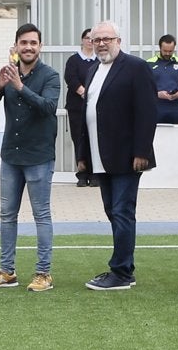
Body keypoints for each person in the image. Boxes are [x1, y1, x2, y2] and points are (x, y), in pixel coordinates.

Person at [67, 20, 156, 290]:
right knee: (112, 211)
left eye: (107, 38)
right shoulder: (93, 70)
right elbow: (86, 115)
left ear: (119, 40)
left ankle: (120, 273)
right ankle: (125, 267)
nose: (102, 43)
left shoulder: (136, 68)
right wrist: (83, 156)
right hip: (99, 156)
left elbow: (147, 112)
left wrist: (142, 151)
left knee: (122, 211)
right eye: (97, 40)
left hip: (127, 156)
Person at [0, 23, 60, 291]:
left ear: (40, 47)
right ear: (16, 46)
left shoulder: (50, 75)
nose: (28, 47)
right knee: (6, 214)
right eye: (23, 43)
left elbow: (48, 107)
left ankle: (43, 273)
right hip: (11, 157)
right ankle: (6, 271)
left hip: (38, 157)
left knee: (41, 215)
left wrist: (20, 87)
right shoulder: (7, 72)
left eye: (33, 43)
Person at [66, 27, 98, 185]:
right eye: (87, 38)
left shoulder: (99, 60)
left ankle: (94, 173)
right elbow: (70, 79)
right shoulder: (73, 60)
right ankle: (82, 173)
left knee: (94, 138)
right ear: (82, 40)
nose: (90, 42)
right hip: (77, 107)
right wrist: (83, 92)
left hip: (94, 107)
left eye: (93, 39)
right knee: (79, 138)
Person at [150, 34, 178, 124]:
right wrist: (157, 94)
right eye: (165, 51)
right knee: (156, 137)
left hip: (177, 108)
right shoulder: (149, 63)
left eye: (170, 51)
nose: (168, 53)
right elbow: (144, 86)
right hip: (157, 108)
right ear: (160, 48)